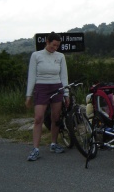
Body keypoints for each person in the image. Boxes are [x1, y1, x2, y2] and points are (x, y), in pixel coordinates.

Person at [25, 32, 69, 161]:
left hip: (57, 87)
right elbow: (32, 75)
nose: (55, 48)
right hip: (41, 87)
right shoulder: (36, 55)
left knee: (55, 117)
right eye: (53, 45)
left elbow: (64, 76)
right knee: (39, 117)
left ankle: (54, 143)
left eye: (57, 46)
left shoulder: (60, 56)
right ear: (47, 42)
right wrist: (28, 95)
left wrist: (66, 94)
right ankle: (35, 149)